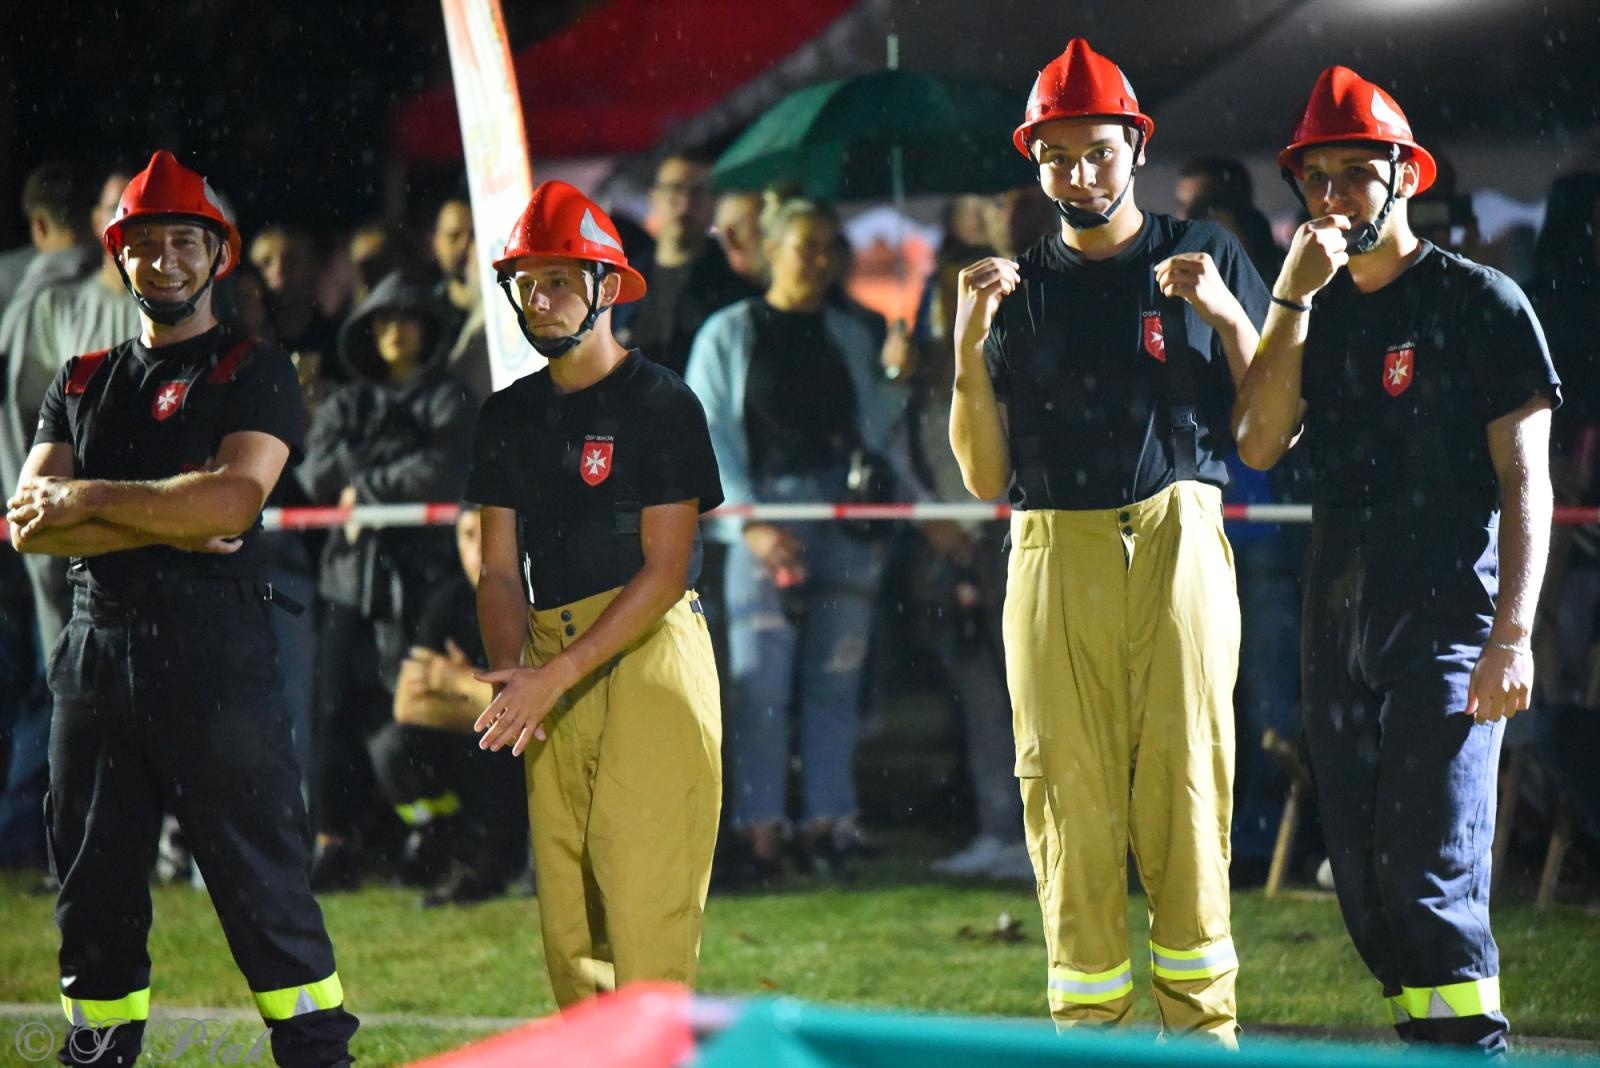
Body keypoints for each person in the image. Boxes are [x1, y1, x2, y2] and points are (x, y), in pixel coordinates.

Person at [1232, 67, 1561, 1055]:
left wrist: (1512, 637)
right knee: (1366, 881)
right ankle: (1430, 1042)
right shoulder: (1313, 311)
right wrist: (1287, 303)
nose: (1331, 199)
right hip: (1340, 619)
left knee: (1429, 874)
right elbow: (1253, 443)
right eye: (1314, 179)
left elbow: (1526, 483)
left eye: (1352, 174)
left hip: (1452, 620)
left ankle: (1472, 1045)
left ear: (1404, 175)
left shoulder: (1481, 303)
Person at [5, 149, 357, 1066]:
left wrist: (89, 500)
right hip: (94, 657)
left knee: (261, 883)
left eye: (184, 243)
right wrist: (164, 511)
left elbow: (231, 504)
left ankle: (317, 1055)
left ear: (219, 256)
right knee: (94, 890)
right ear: (119, 257)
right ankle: (99, 1055)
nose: (164, 261)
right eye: (146, 243)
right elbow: (31, 529)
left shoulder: (254, 366)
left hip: (217, 654)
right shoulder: (78, 379)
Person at [948, 38, 1268, 1043]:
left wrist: (1225, 317)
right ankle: (1083, 1034)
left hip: (1178, 533)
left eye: (1097, 151)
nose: (1078, 175)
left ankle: (1202, 1034)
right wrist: (964, 345)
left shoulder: (1205, 254)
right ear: (1033, 163)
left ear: (1135, 145)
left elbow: (1268, 433)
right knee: (1062, 790)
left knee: (1186, 777)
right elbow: (984, 478)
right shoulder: (1010, 290)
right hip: (1048, 544)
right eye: (1057, 157)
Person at [466, 180, 723, 1006]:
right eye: (525, 283)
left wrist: (554, 674)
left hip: (647, 648)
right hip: (549, 657)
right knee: (571, 919)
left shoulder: (663, 404)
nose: (539, 301)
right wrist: (513, 672)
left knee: (644, 896)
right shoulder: (506, 417)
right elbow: (499, 567)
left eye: (559, 281)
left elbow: (665, 568)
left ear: (607, 288)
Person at [687, 196, 909, 881]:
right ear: (771, 252)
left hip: (845, 522)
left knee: (835, 680)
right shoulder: (728, 332)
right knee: (759, 686)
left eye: (827, 246)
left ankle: (828, 822)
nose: (817, 259)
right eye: (804, 245)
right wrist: (749, 522)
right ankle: (761, 831)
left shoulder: (849, 332)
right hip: (763, 525)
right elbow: (707, 434)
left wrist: (896, 374)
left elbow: (875, 432)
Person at [298, 268, 474, 890]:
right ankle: (332, 842)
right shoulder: (347, 401)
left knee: (415, 713)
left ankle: (433, 832)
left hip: (422, 583)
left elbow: (444, 470)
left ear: (427, 328)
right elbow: (316, 473)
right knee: (334, 711)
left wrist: (365, 486)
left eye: (405, 318)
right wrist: (372, 471)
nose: (394, 332)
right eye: (381, 321)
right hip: (349, 582)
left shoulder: (448, 398)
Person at [371, 505, 528, 907]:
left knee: (504, 750)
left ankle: (505, 864)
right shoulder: (448, 599)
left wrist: (455, 681)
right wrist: (496, 703)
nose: (476, 550)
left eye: (485, 535)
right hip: (483, 735)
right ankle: (441, 843)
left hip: (530, 744)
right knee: (391, 747)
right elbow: (408, 704)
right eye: (466, 537)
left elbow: (546, 706)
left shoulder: (533, 597)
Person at [620, 151, 759, 375]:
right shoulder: (622, 282)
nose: (685, 203)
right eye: (674, 189)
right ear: (654, 198)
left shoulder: (735, 286)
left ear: (714, 203)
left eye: (697, 193)